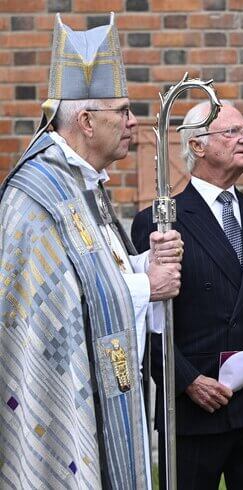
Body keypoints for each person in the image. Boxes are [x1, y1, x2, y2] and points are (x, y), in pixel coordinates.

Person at [0, 14, 182, 489]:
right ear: (85, 120)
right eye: (121, 111)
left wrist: (143, 263)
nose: (133, 122)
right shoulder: (38, 194)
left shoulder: (81, 181)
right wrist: (147, 285)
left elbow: (91, 272)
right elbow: (52, 309)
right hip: (59, 392)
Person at [131, 100, 243, 489]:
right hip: (195, 407)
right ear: (197, 145)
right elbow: (146, 319)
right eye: (232, 132)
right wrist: (187, 380)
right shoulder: (160, 219)